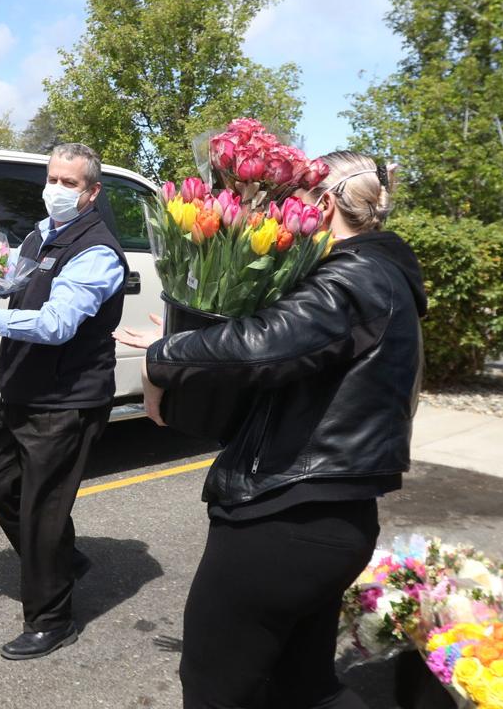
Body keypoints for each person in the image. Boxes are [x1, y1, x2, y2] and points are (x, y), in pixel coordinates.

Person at [120, 151, 426, 708]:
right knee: (304, 686)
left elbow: (259, 349)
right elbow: (287, 354)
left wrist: (167, 355)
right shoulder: (379, 275)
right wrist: (198, 336)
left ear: (325, 204)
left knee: (215, 688)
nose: (283, 216)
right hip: (330, 518)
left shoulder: (352, 275)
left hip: (285, 518)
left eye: (293, 202)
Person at [0, 143, 128, 660]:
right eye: (52, 179)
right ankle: (60, 559)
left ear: (91, 193)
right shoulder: (40, 236)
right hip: (23, 391)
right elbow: (14, 288)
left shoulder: (97, 252)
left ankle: (51, 619)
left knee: (44, 509)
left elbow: (58, 324)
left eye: (70, 183)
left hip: (66, 400)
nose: (57, 190)